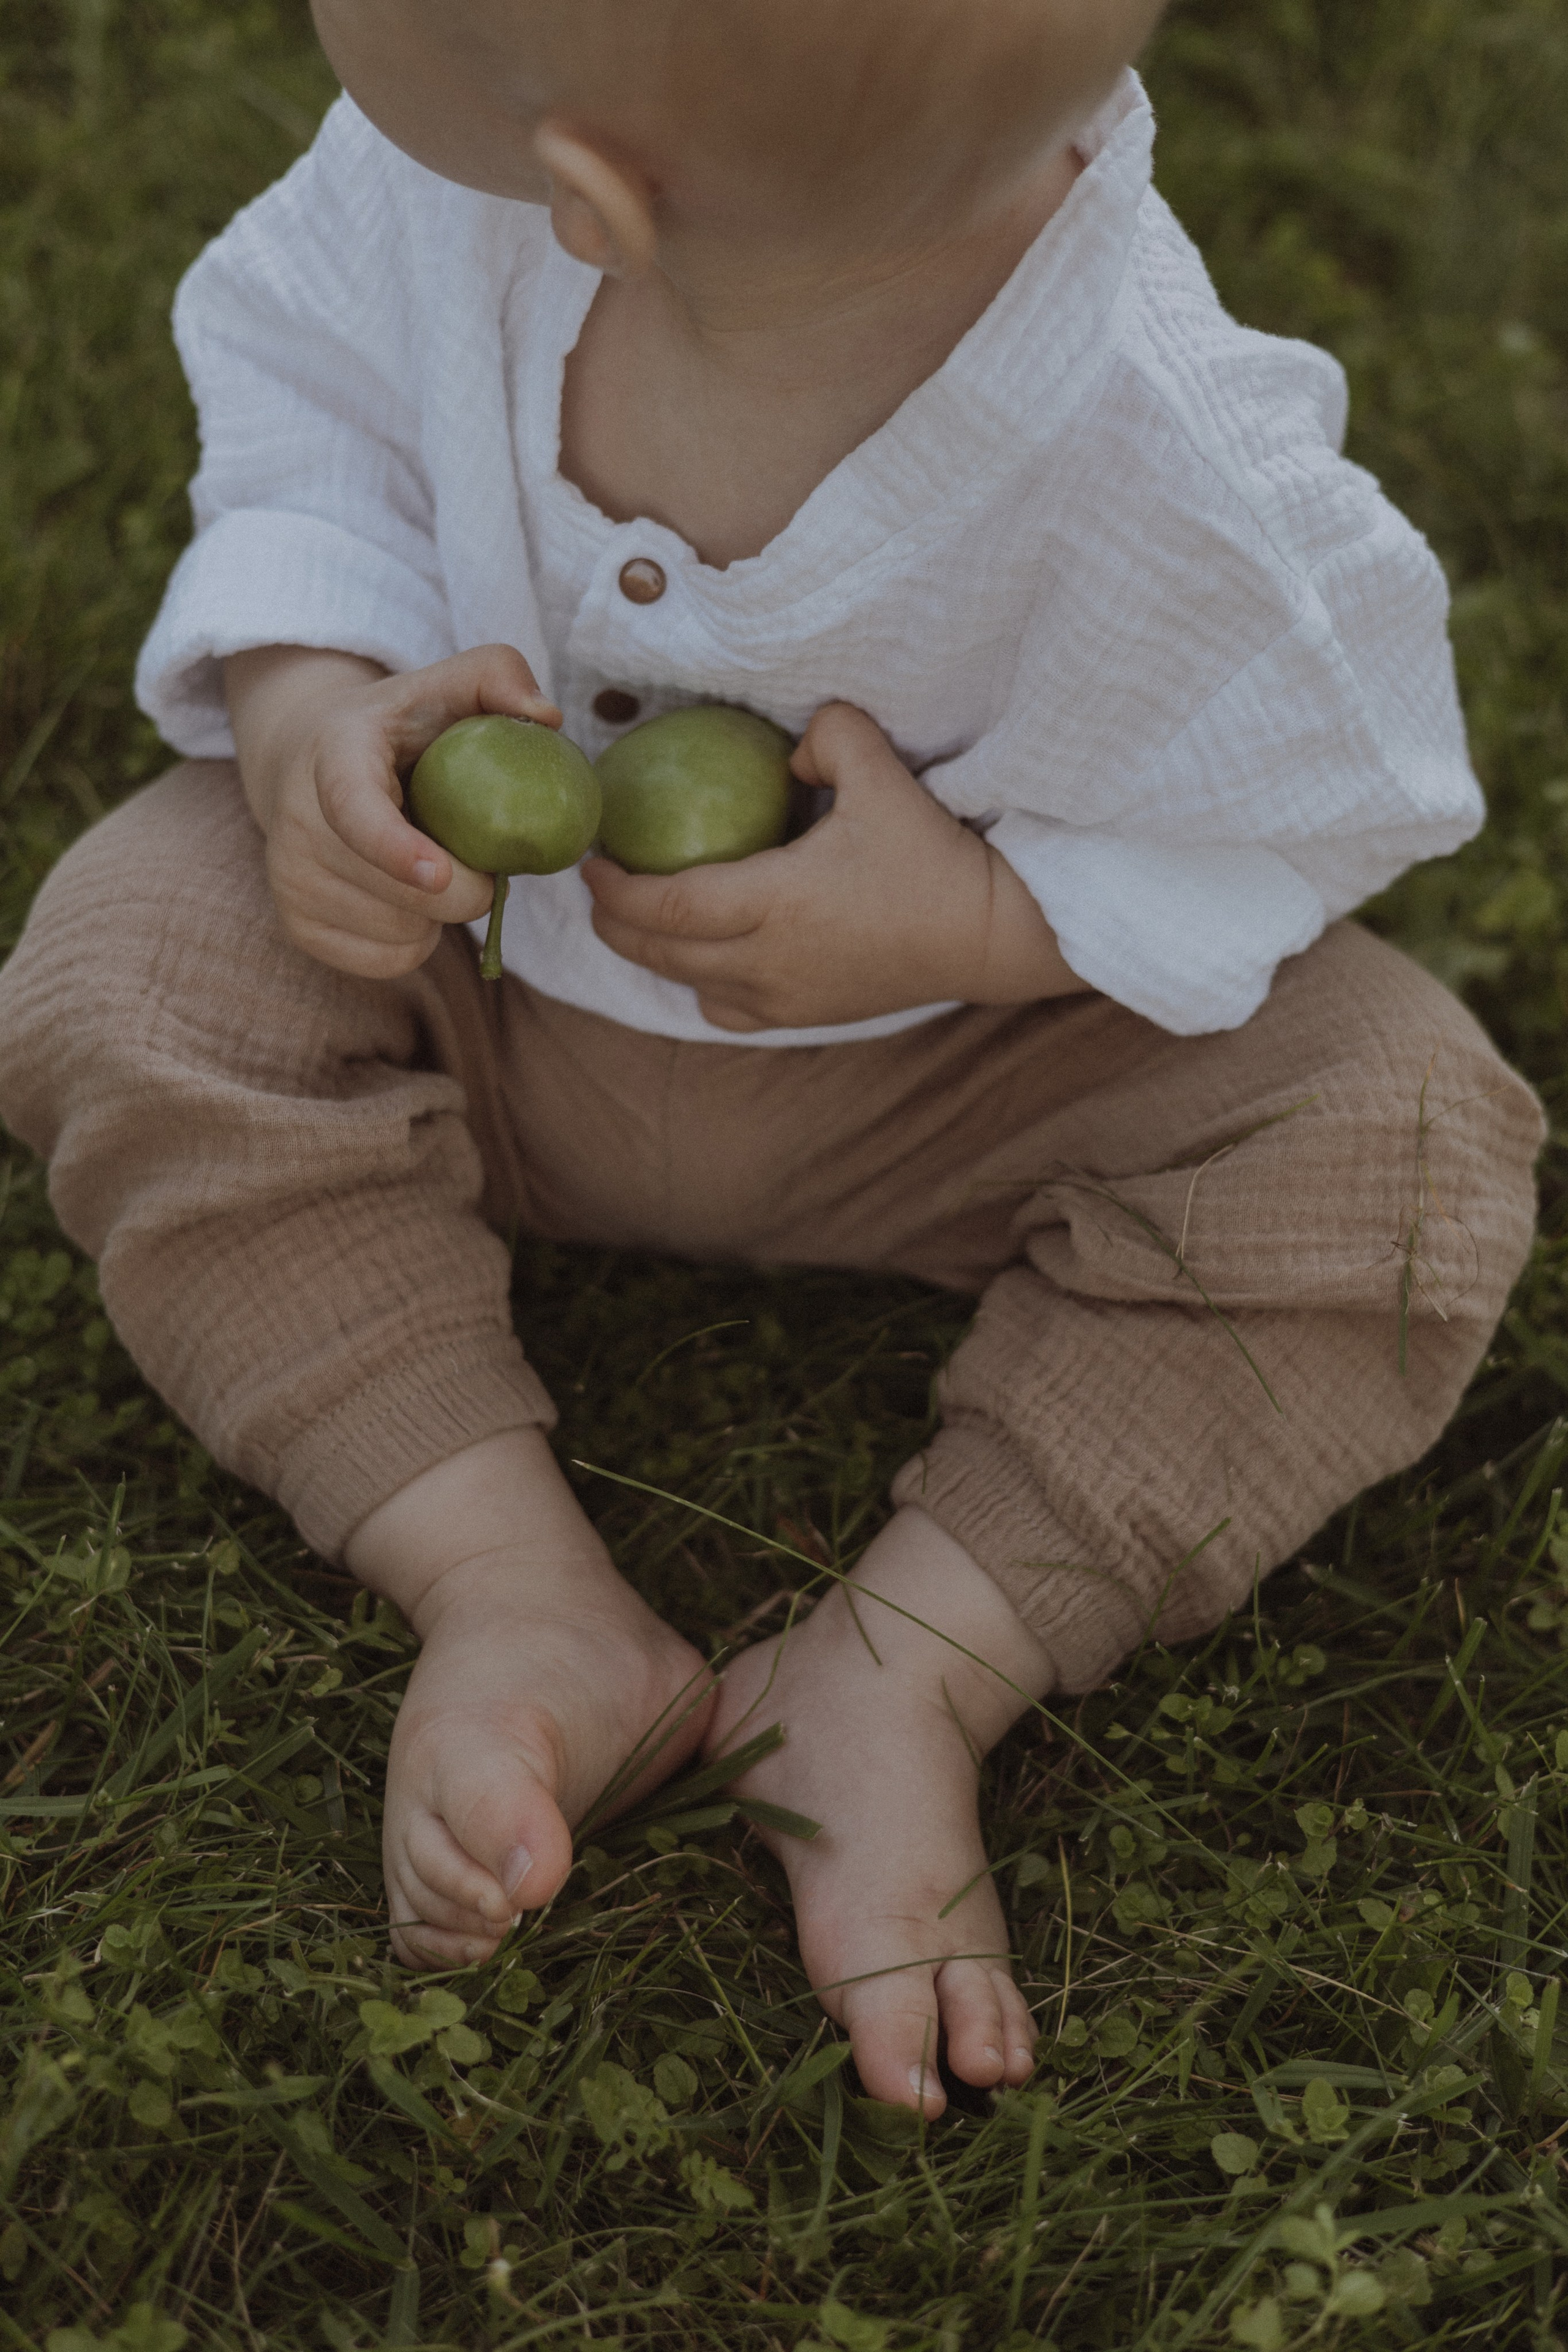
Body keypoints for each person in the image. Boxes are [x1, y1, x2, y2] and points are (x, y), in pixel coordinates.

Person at [0, 0, 1543, 2116]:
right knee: (132, 952)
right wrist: (303, 720)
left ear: (602, 190)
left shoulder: (1162, 439)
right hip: (484, 996)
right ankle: (514, 1584)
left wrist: (980, 924)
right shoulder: (430, 210)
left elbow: (1335, 779)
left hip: (945, 1088)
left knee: (1401, 1137)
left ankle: (906, 1670)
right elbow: (307, 428)